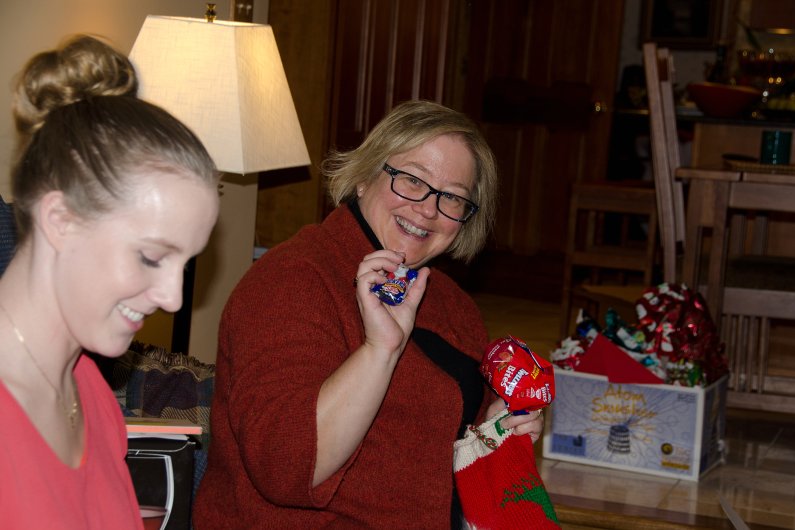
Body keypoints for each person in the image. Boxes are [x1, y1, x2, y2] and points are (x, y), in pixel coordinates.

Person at [195, 100, 544, 528]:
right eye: (412, 180)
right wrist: (379, 350)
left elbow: (441, 443)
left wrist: (492, 431)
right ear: (363, 178)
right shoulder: (291, 280)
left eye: (453, 197)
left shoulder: (452, 303)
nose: (428, 209)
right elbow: (284, 469)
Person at [0, 35, 220, 529]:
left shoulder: (87, 389)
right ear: (60, 219)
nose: (172, 297)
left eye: (183, 264)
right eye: (150, 256)